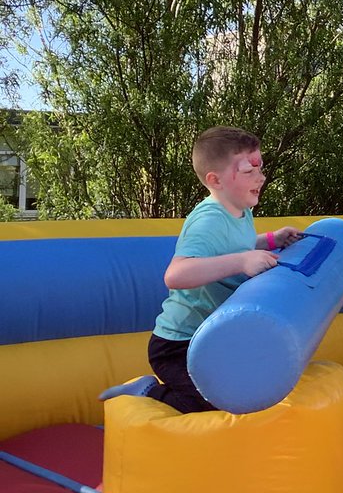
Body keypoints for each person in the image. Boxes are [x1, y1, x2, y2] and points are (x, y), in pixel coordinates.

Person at [98, 126, 302, 412]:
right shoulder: (208, 221)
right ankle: (147, 392)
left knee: (245, 389)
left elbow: (231, 246)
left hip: (212, 339)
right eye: (248, 171)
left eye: (260, 168)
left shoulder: (241, 209)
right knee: (215, 402)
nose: (261, 177)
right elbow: (177, 274)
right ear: (215, 180)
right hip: (178, 345)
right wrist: (242, 262)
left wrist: (270, 240)